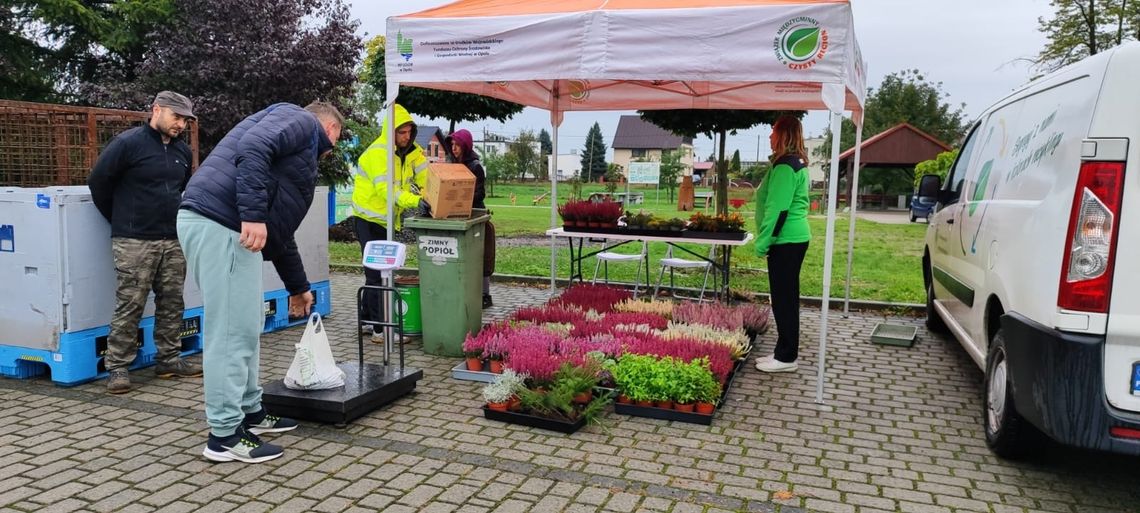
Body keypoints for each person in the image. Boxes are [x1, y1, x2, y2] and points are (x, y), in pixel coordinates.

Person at [177, 101, 343, 463]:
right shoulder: (300, 120)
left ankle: (251, 412)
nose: (330, 151)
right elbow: (254, 147)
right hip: (222, 225)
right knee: (230, 333)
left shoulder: (292, 152)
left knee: (248, 324)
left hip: (226, 225)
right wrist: (251, 216)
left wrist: (298, 288)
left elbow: (280, 234)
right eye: (336, 140)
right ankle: (224, 436)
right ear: (330, 129)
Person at [87, 91, 202, 394]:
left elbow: (183, 190)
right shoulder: (128, 144)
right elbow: (99, 182)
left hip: (172, 239)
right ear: (156, 110)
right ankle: (118, 367)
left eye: (185, 120)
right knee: (131, 303)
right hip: (134, 240)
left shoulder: (182, 152)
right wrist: (120, 219)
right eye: (176, 117)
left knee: (172, 301)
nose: (180, 124)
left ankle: (169, 359)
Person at [353, 104, 429, 339]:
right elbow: (388, 192)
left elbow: (427, 175)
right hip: (368, 219)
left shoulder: (410, 151)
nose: (406, 137)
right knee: (377, 273)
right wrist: (416, 201)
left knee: (376, 272)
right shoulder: (379, 154)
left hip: (385, 221)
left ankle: (366, 320)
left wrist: (433, 195)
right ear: (391, 131)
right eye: (401, 132)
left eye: (409, 132)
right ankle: (380, 329)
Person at [753, 115, 812, 373]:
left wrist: (764, 242)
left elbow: (778, 210)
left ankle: (787, 358)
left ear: (783, 134)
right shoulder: (793, 162)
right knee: (784, 297)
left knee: (783, 299)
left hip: (785, 239)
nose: (769, 136)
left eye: (773, 131)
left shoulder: (786, 166)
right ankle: (783, 351)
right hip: (791, 239)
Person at [444, 129, 496, 307]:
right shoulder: (451, 165)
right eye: (452, 145)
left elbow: (480, 194)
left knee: (480, 256)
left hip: (475, 215)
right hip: (455, 216)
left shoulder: (475, 166)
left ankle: (484, 294)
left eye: (457, 145)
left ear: (465, 146)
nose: (454, 148)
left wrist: (462, 199)